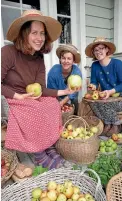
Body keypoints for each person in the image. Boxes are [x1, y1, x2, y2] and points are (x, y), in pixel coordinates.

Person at [1, 9, 79, 169]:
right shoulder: (8, 52)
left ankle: (47, 144)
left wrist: (65, 92)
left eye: (42, 33)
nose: (39, 38)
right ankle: (38, 153)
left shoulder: (38, 58)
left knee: (52, 104)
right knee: (36, 108)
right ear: (24, 34)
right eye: (34, 33)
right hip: (12, 99)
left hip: (31, 97)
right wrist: (18, 96)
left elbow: (41, 89)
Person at [85, 37, 122, 136]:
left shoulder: (117, 64)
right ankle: (107, 123)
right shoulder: (95, 65)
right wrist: (92, 86)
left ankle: (116, 124)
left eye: (101, 48)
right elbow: (94, 81)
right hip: (106, 96)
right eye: (96, 50)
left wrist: (110, 92)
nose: (98, 52)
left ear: (107, 49)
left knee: (105, 103)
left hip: (119, 98)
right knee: (92, 101)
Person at [47, 44, 82, 114]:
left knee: (74, 103)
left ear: (73, 61)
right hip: (57, 95)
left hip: (71, 97)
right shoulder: (53, 71)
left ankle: (74, 118)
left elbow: (74, 92)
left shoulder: (76, 72)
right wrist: (58, 104)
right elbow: (51, 91)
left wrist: (63, 102)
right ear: (60, 59)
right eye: (63, 58)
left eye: (69, 58)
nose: (66, 61)